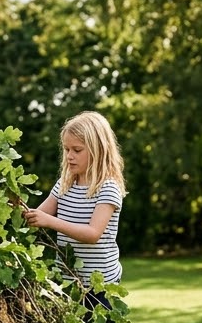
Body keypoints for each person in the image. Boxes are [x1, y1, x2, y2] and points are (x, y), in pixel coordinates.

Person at [23, 110, 127, 294]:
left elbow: (93, 234)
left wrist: (49, 221)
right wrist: (17, 206)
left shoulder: (108, 188)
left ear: (98, 150)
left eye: (77, 150)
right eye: (66, 149)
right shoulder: (65, 184)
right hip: (66, 282)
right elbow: (37, 217)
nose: (69, 155)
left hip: (100, 287)